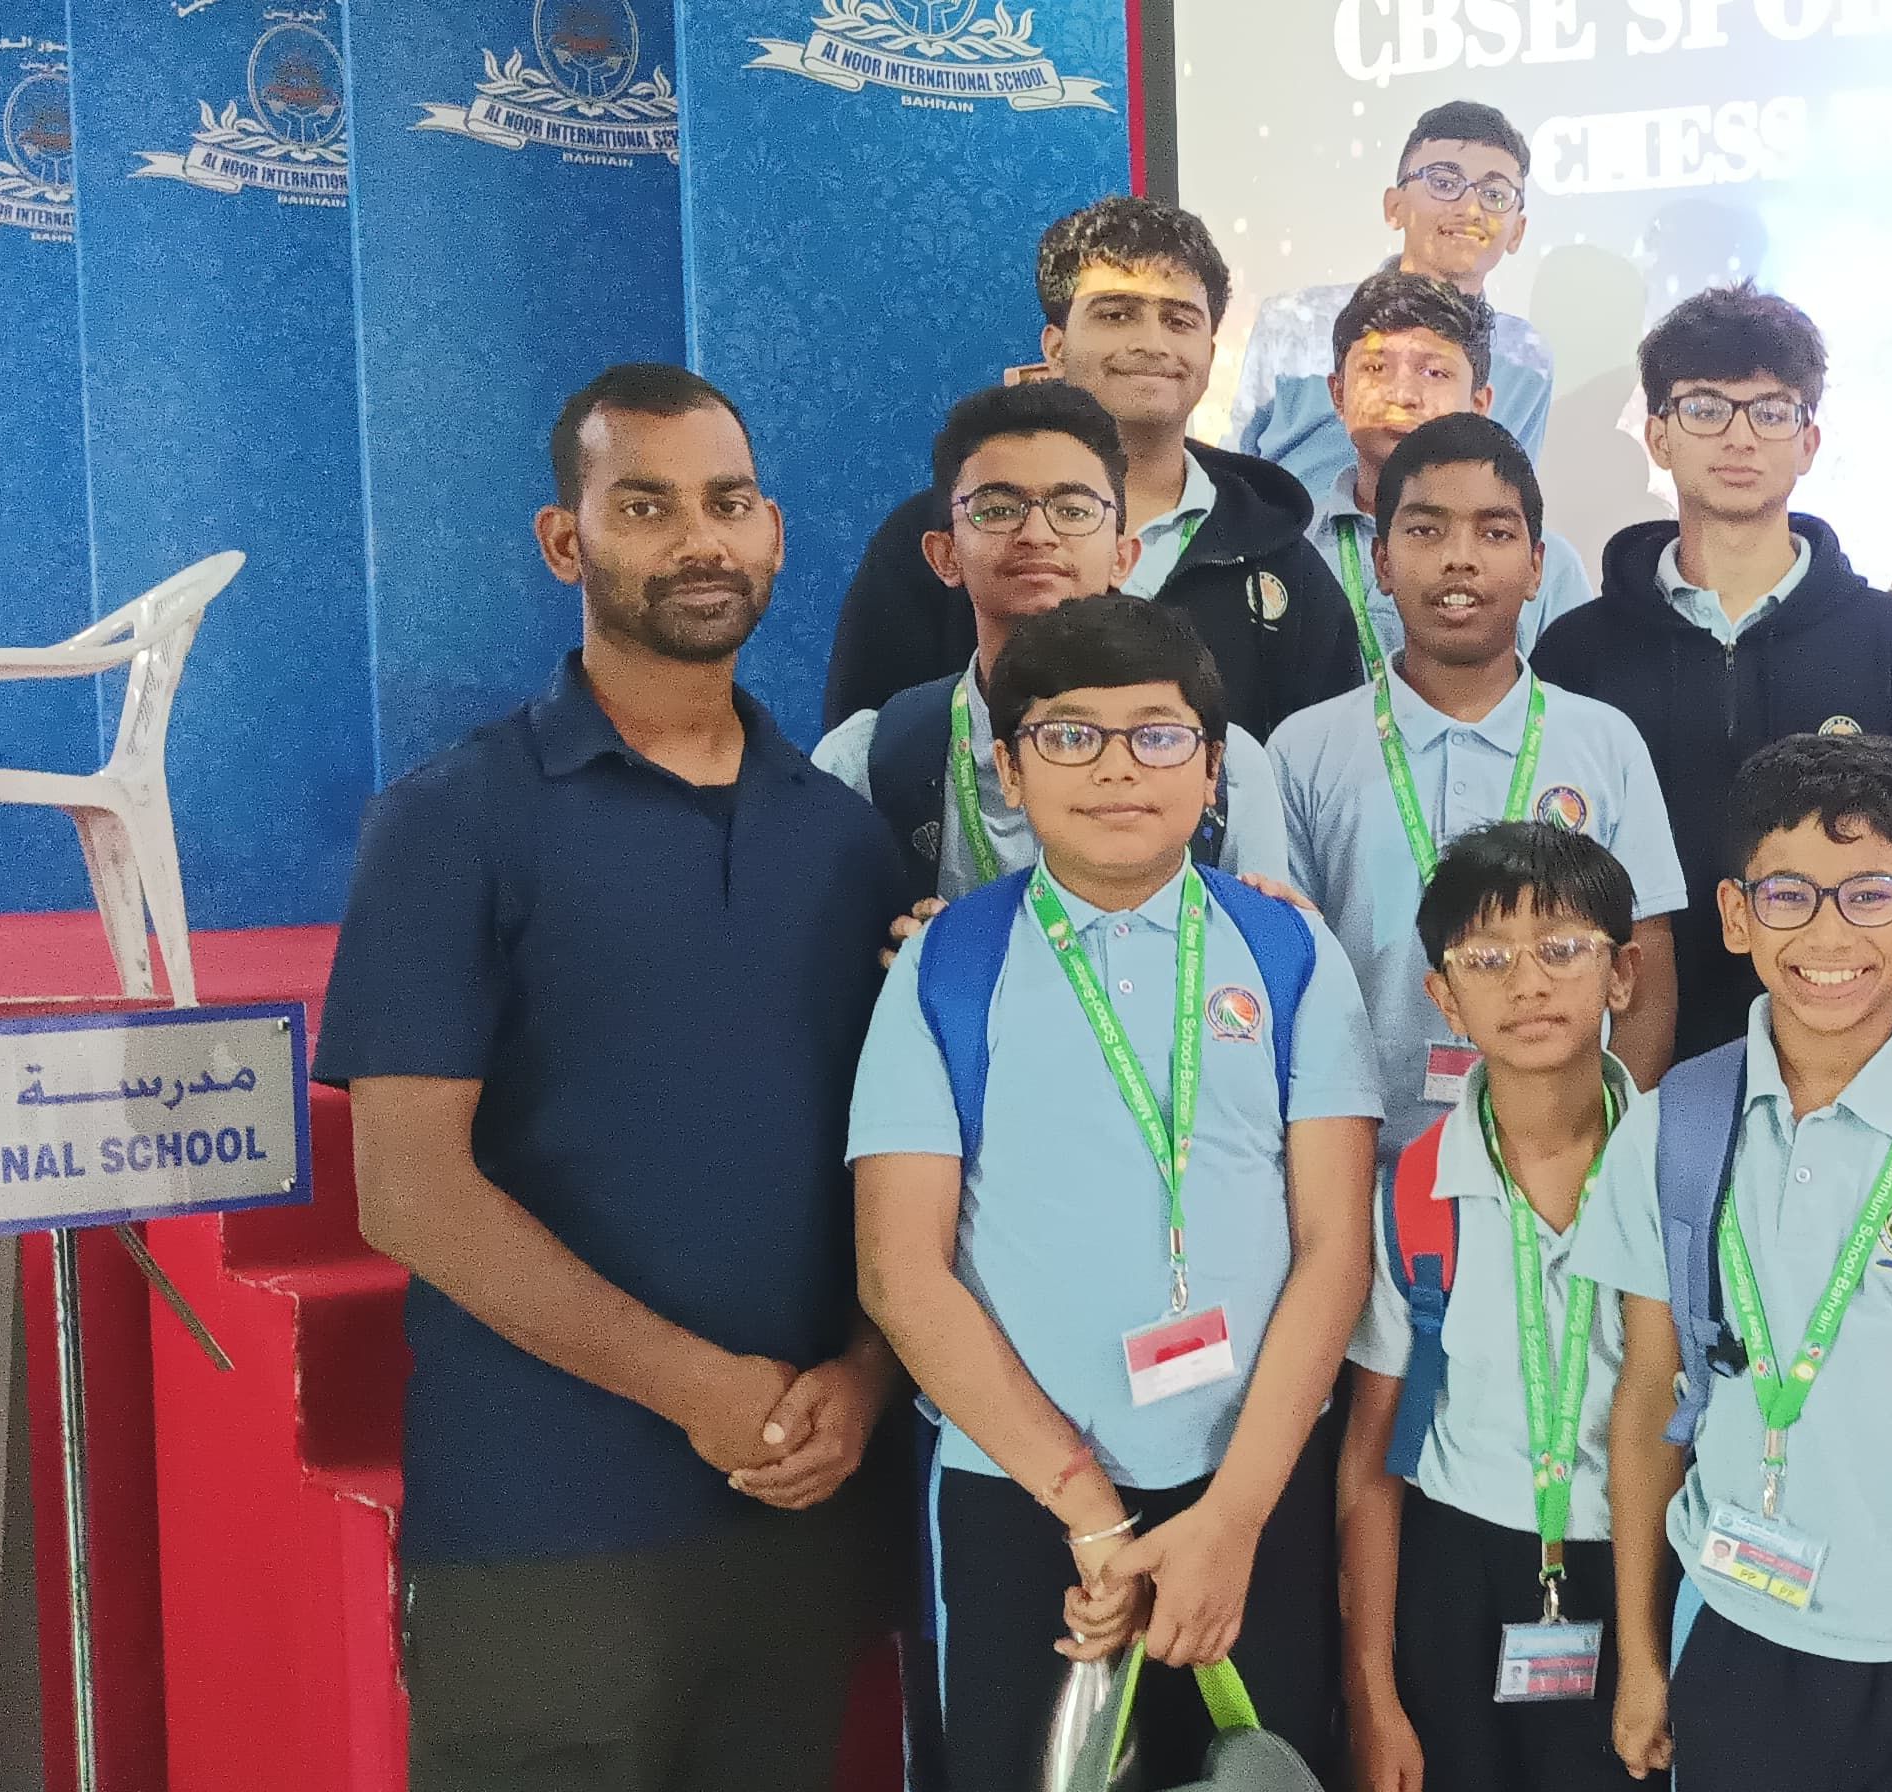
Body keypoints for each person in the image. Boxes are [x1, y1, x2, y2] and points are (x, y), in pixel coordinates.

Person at [318, 363, 906, 1791]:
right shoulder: (451, 823)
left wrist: (868, 1377)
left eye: (728, 503)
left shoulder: (843, 840)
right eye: (645, 506)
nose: (699, 540)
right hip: (543, 1535)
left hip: (796, 1520)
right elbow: (408, 1193)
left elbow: (899, 1162)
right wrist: (696, 1385)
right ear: (564, 541)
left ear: (773, 533)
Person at [849, 594, 1387, 1787]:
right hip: (1021, 1491)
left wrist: (1233, 1516)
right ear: (1010, 767)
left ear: (1212, 767)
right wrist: (1090, 1511)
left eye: (1156, 734)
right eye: (1068, 734)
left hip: (1252, 1477)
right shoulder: (946, 964)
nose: (1114, 768)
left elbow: (1334, 1248)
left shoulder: (1290, 953)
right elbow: (900, 1270)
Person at [1571, 733, 1892, 1792]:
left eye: (1869, 894)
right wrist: (1639, 1654)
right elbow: (1645, 1399)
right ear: (1734, 915)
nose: (1828, 933)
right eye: (1788, 895)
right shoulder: (1672, 1128)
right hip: (1739, 1623)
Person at [1531, 285, 1892, 1058]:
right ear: (1658, 435)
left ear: (1808, 442)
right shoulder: (1576, 653)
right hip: (1628, 1064)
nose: (1739, 437)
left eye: (1771, 411)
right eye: (1706, 408)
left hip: (1855, 1055)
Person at [1273, 410, 1687, 1175]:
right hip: (1361, 1162)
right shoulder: (1304, 749)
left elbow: (1648, 968)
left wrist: (1608, 1151)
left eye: (1494, 533)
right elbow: (1285, 973)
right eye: (1425, 531)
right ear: (1382, 562)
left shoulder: (1603, 742)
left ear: (1536, 567)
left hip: (1563, 1163)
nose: (1459, 559)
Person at [1340, 822, 1664, 1792]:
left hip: (1643, 1567)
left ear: (1622, 973)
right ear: (1443, 995)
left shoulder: (1684, 1176)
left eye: (1562, 948)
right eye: (1487, 958)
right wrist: (1371, 1689)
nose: (1527, 983)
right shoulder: (1413, 1193)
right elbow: (1372, 1458)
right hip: (1458, 1573)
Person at [824, 196, 1359, 738]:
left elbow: (1324, 771)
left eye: (1179, 321)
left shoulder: (1283, 561)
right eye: (1116, 314)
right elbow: (868, 759)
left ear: (1210, 354)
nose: (1152, 344)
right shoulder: (946, 534)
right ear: (1055, 348)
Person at [812, 381, 1290, 904]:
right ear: (945, 555)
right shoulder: (864, 763)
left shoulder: (1221, 765)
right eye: (997, 508)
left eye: (1074, 509)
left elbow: (1258, 945)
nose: (1037, 533)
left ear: (1123, 557)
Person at [1231, 100, 1558, 499]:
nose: (1470, 209)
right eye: (1444, 183)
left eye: (1495, 194)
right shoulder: (1297, 320)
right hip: (1299, 535)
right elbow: (1236, 464)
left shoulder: (1526, 358)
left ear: (1517, 231)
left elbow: (1510, 494)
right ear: (1394, 207)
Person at [1300, 273, 1597, 677]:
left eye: (1434, 373)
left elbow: (1574, 705)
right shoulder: (1294, 547)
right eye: (1376, 367)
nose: (1403, 395)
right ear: (1338, 393)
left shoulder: (1544, 564)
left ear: (1478, 404)